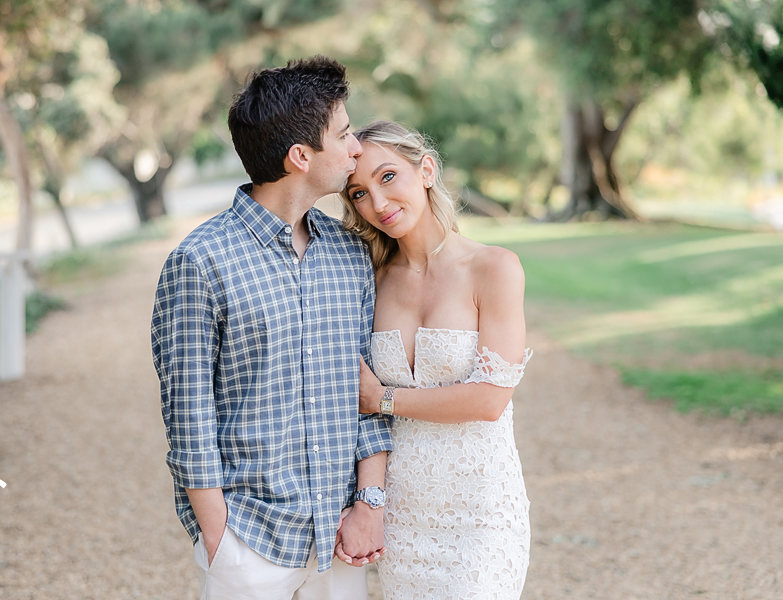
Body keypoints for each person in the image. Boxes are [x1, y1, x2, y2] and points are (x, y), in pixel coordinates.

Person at [150, 57, 392, 600]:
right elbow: (188, 414)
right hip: (249, 542)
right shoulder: (200, 262)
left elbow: (367, 394)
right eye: (345, 133)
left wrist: (369, 505)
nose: (357, 148)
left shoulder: (351, 255)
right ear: (301, 156)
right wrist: (219, 538)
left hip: (339, 538)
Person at [340, 120, 532, 600]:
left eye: (388, 178)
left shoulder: (494, 268)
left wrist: (380, 398)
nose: (378, 204)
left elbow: (489, 400)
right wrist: (372, 504)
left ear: (425, 169)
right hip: (404, 514)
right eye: (359, 193)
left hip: (482, 511)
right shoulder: (371, 280)